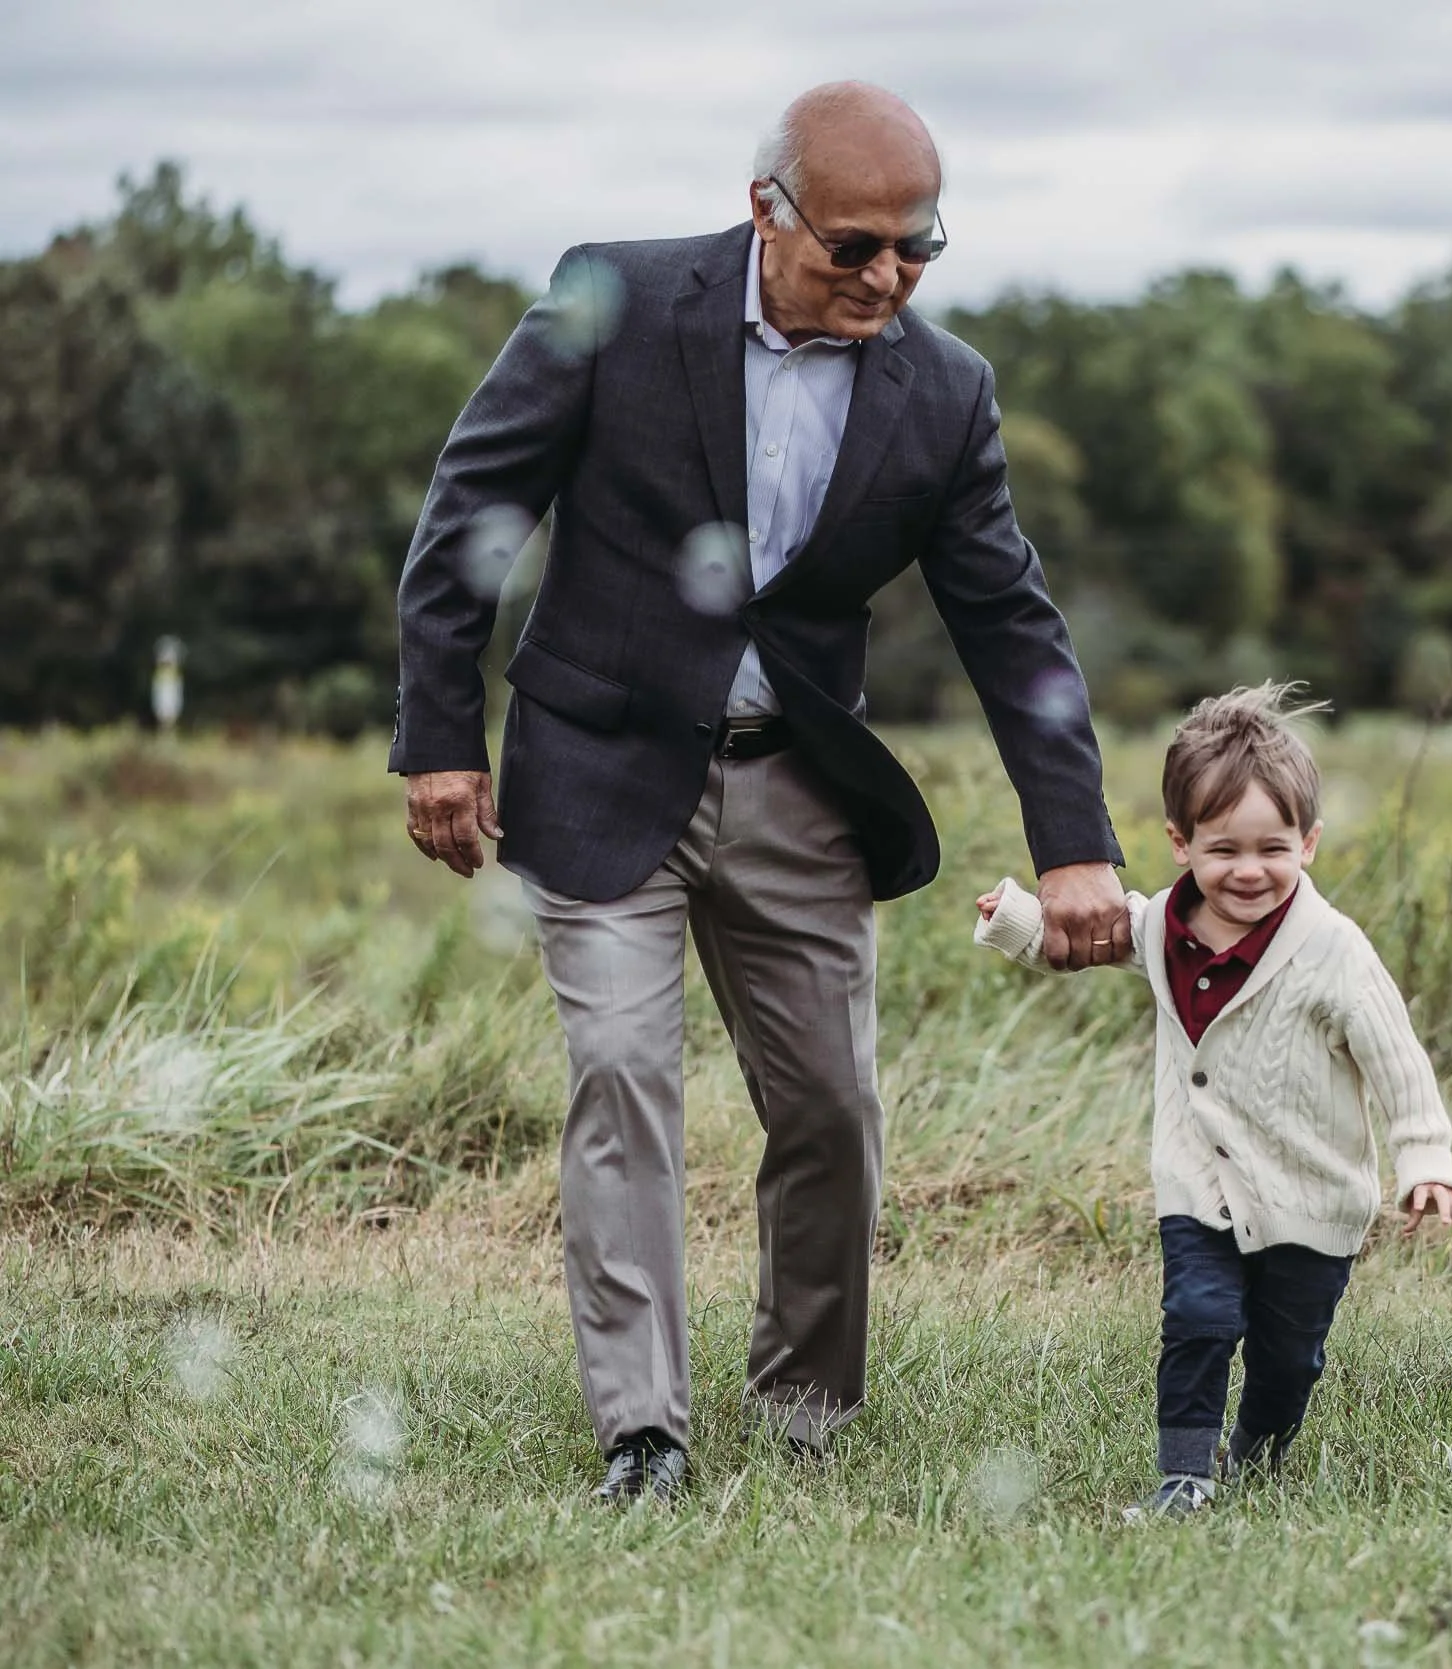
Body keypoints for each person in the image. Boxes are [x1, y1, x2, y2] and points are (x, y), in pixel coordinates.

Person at [390, 82, 1136, 1505]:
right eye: (854, 247)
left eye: (917, 249)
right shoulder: (613, 298)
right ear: (765, 211)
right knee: (623, 1075)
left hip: (800, 784)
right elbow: (473, 507)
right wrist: (441, 731)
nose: (886, 278)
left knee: (834, 1110)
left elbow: (1014, 630)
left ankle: (803, 1402)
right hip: (601, 763)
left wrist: (1075, 848)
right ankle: (644, 1433)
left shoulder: (948, 389)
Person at [973, 683, 1452, 1519]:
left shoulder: (1335, 950)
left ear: (1308, 843)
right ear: (1180, 842)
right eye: (1223, 848)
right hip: (1198, 1179)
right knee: (1197, 1318)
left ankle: (1258, 1454)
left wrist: (1428, 1159)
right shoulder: (1162, 922)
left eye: (1272, 848)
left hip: (1312, 1191)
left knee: (1288, 1356)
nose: (1248, 870)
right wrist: (1021, 921)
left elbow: (1399, 1060)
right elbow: (1090, 938)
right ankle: (1185, 1474)